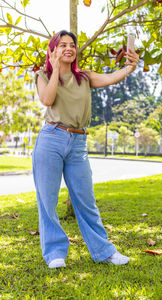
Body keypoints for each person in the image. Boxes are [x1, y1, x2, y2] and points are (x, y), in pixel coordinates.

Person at [33, 30, 139, 269]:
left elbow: (113, 77)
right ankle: (55, 253)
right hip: (51, 139)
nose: (69, 48)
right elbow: (48, 100)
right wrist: (55, 68)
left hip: (78, 143)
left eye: (72, 45)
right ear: (54, 50)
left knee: (86, 200)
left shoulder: (85, 77)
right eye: (62, 45)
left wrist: (130, 67)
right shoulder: (42, 75)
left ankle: (104, 251)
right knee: (47, 201)